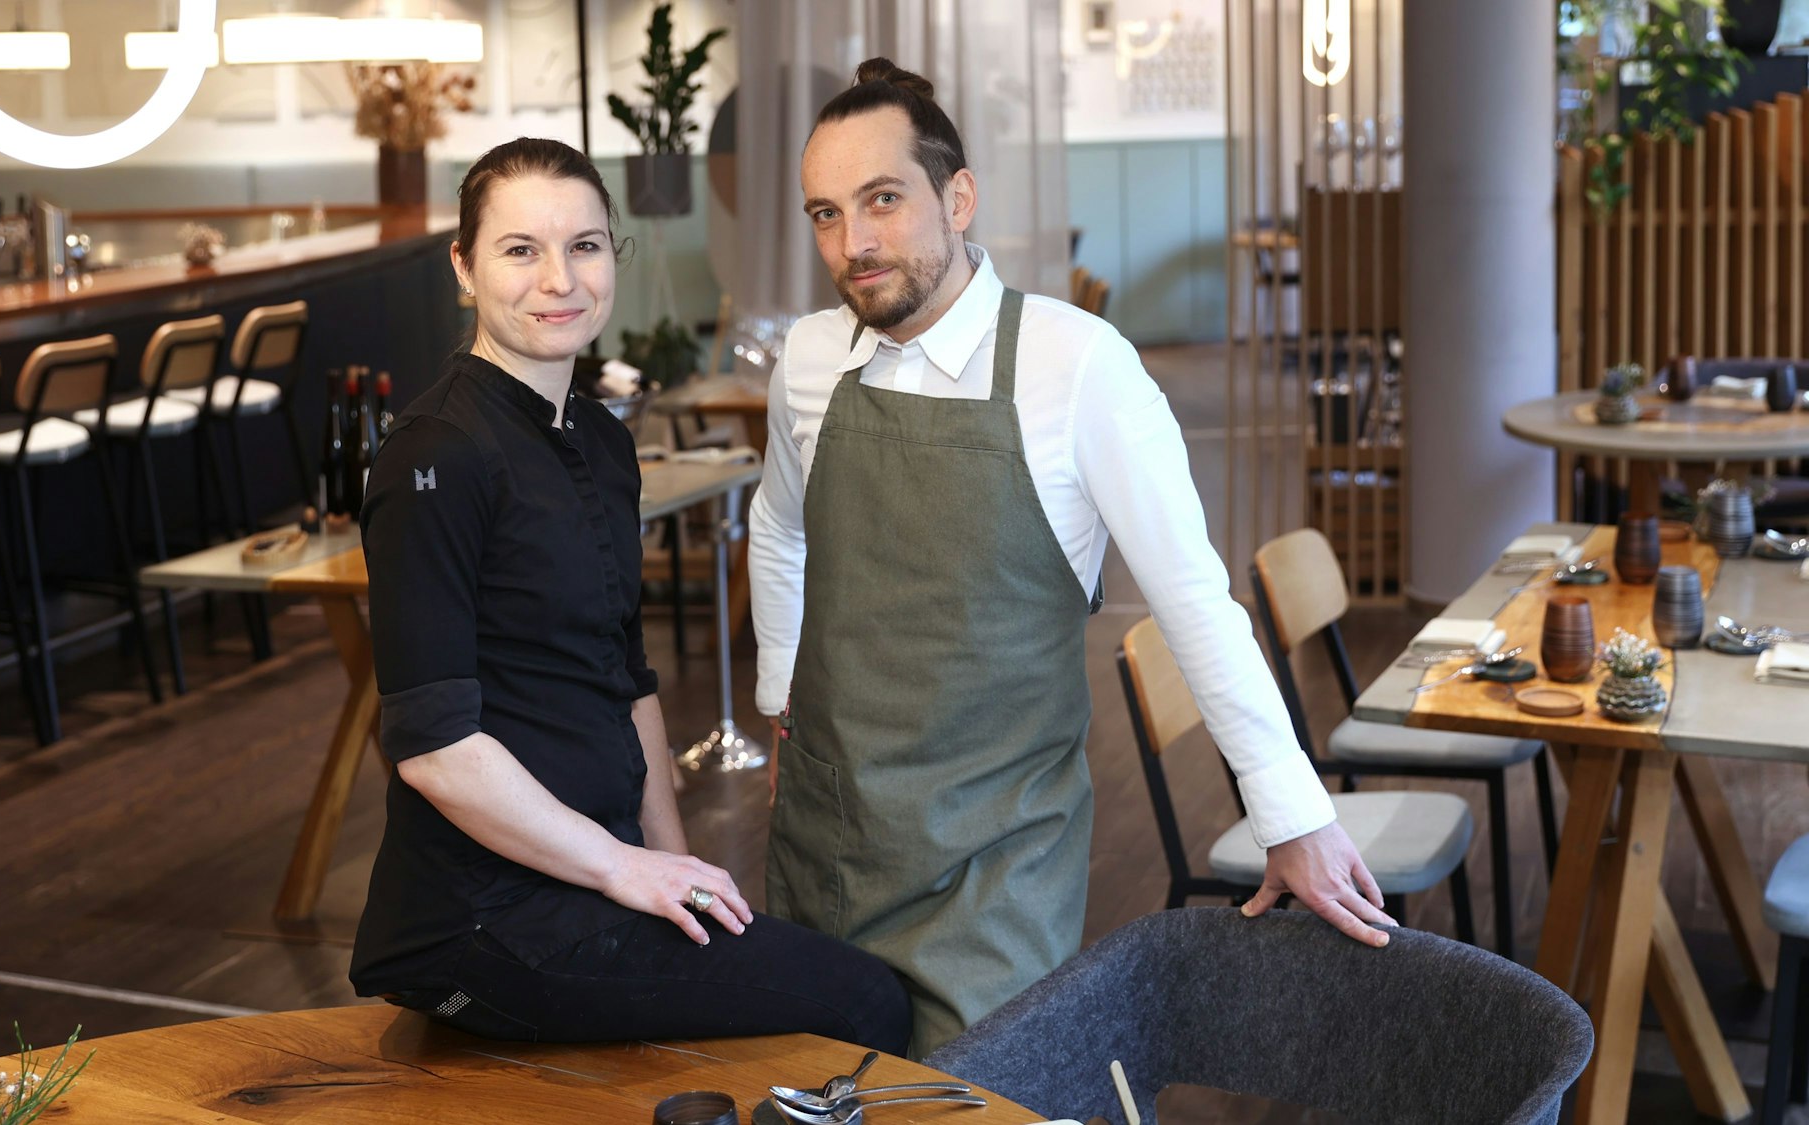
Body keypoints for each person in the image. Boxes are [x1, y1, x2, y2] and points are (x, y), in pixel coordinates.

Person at [748, 60, 1393, 1056]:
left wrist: (1292, 816)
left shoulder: (1079, 365)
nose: (854, 243)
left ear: (958, 197)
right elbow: (779, 526)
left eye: (882, 200)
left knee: (973, 1097)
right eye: (825, 215)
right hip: (828, 835)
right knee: (820, 1093)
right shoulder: (807, 357)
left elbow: (1194, 601)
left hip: (994, 861)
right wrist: (779, 699)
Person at [349, 137, 909, 1054]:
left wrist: (673, 866)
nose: (559, 279)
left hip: (585, 878)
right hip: (478, 919)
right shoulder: (434, 455)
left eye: (585, 246)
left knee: (835, 987)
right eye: (520, 249)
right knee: (862, 1006)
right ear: (464, 266)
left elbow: (628, 681)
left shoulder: (601, 441)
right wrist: (623, 868)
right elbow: (435, 749)